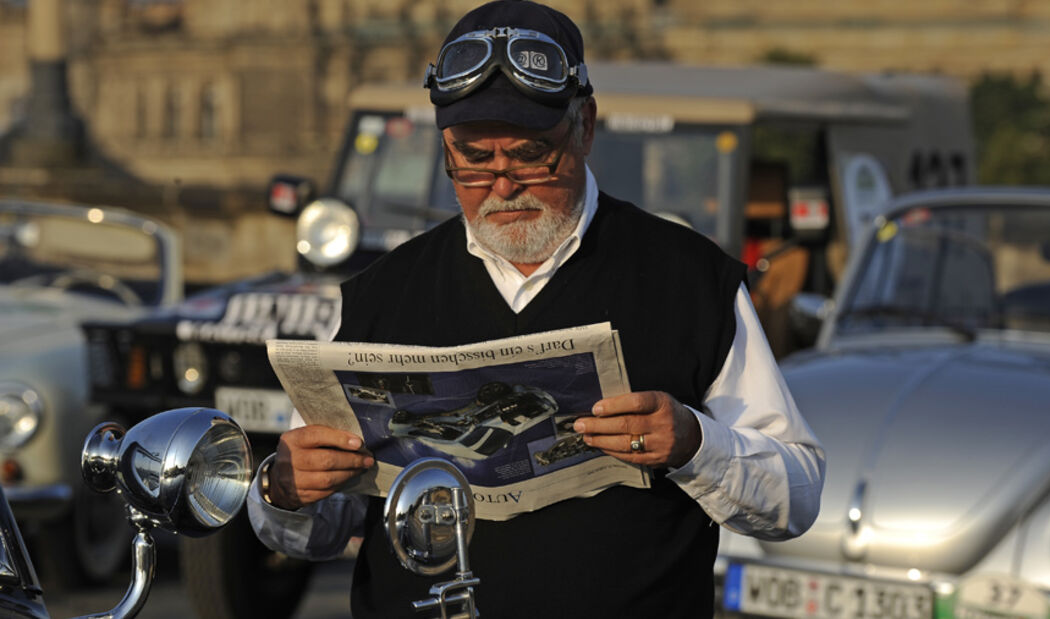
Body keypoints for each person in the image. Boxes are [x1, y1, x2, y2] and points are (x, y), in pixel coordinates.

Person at [248, 2, 824, 617]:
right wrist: (285, 489)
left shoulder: (690, 278)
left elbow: (797, 496)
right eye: (473, 158)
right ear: (444, 147)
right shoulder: (381, 293)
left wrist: (693, 444)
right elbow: (313, 533)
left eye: (530, 154)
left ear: (587, 127)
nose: (503, 185)